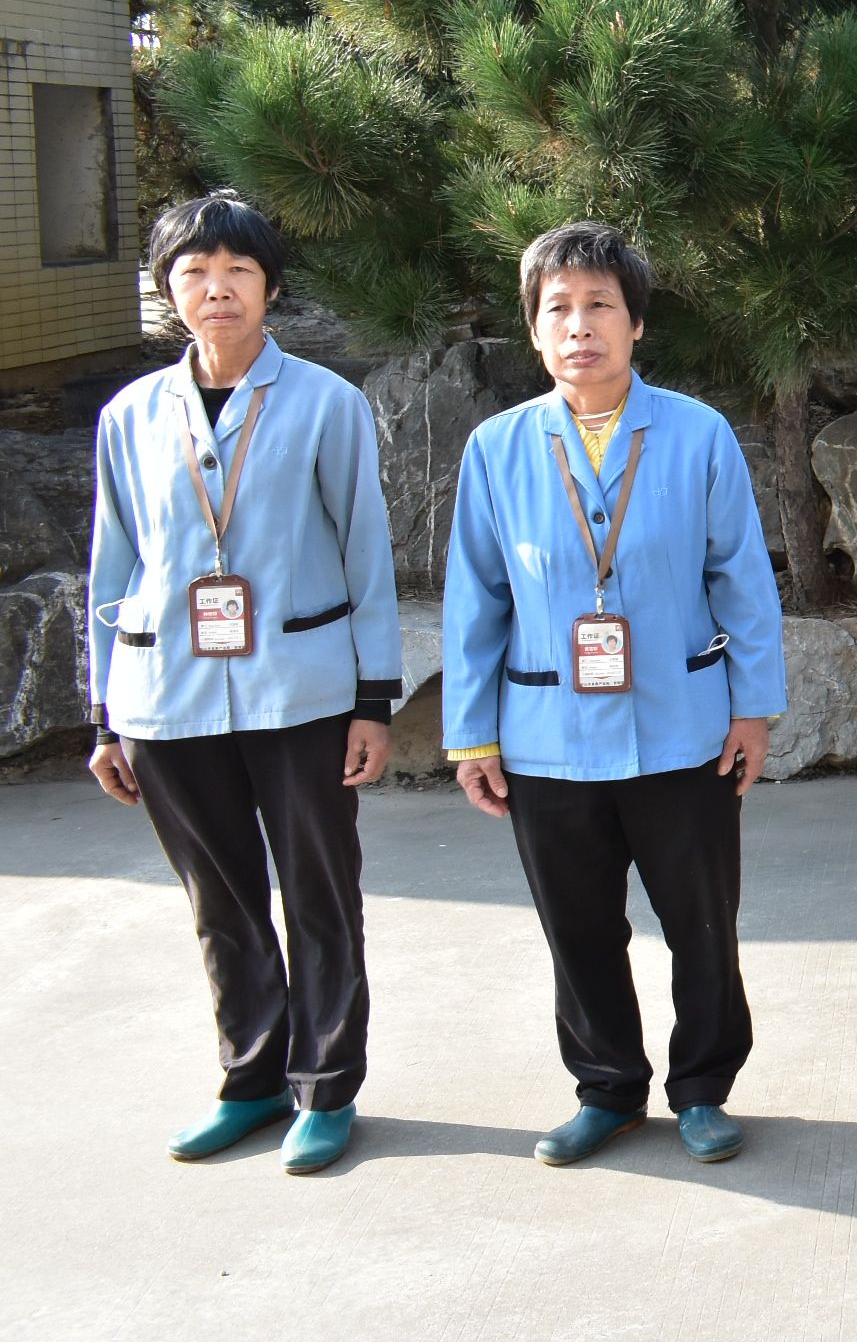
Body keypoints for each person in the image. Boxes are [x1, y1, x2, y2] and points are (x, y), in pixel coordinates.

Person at [442, 223, 786, 1168]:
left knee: (701, 925)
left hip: (684, 730)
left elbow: (741, 579)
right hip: (547, 737)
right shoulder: (498, 448)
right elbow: (476, 599)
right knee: (579, 929)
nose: (579, 325)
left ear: (636, 323)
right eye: (557, 308)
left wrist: (752, 708)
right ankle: (607, 1090)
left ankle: (703, 1088)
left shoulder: (696, 433)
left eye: (600, 305)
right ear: (534, 329)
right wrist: (472, 735)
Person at [84, 193, 403, 1176]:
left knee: (319, 892)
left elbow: (365, 551)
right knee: (219, 900)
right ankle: (251, 1077)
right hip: (167, 694)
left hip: (300, 691)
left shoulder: (325, 402)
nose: (215, 288)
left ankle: (326, 1087)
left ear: (269, 286)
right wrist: (106, 715)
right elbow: (111, 565)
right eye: (193, 271)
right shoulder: (130, 415)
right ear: (167, 289)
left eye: (237, 270)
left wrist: (373, 700)